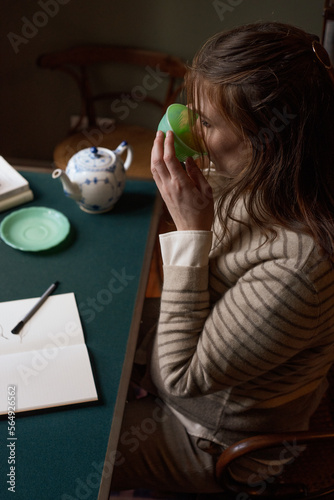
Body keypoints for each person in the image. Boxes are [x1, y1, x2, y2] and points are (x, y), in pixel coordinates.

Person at [110, 22, 334, 494]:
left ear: (266, 141)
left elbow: (177, 377)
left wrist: (190, 228)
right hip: (210, 344)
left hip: (212, 439)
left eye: (206, 123)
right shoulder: (273, 175)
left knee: (43, 440)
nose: (188, 126)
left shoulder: (298, 271)